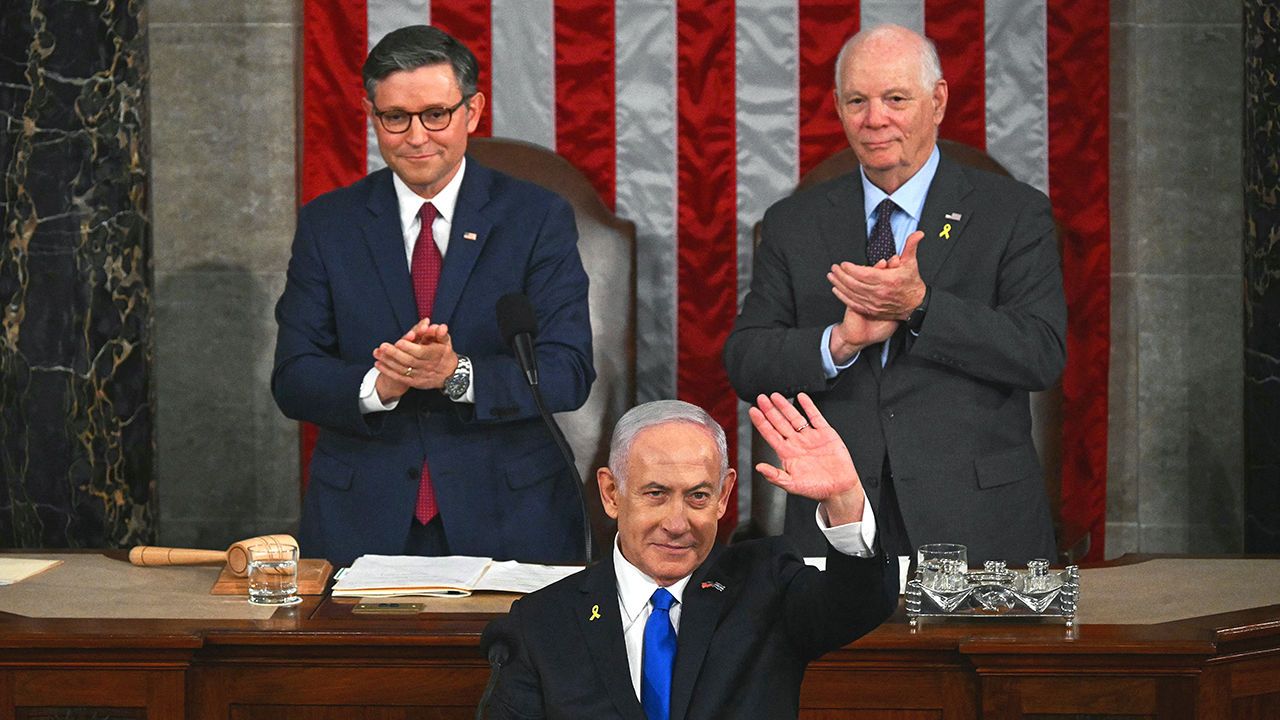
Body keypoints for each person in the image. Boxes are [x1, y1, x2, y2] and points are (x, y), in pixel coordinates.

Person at [723, 24, 1067, 565]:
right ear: (837, 107)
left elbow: (1040, 353)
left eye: (895, 99)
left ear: (938, 101)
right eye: (857, 100)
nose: (874, 118)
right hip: (833, 522)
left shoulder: (1013, 213)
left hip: (980, 525)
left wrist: (921, 307)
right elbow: (746, 361)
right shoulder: (794, 223)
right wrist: (838, 341)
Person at [272, 25, 594, 567]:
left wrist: (457, 375)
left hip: (511, 515)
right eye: (395, 117)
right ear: (371, 114)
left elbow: (567, 372)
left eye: (435, 115)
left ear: (472, 110)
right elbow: (293, 376)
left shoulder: (536, 219)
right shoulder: (329, 224)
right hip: (363, 519)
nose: (416, 136)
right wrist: (380, 383)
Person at [484, 394, 897, 719]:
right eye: (656, 494)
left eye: (698, 496)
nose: (677, 523)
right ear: (611, 494)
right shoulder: (541, 623)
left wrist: (844, 499)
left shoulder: (767, 587)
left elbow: (856, 605)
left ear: (723, 495)